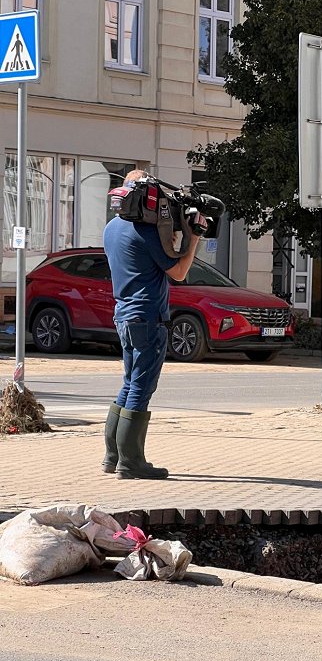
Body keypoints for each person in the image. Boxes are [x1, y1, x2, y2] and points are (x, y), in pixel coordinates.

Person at [101, 170, 200, 479]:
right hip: (147, 317)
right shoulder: (145, 231)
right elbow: (180, 272)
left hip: (124, 314)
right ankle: (131, 463)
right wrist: (193, 235)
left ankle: (112, 456)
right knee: (141, 387)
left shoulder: (112, 228)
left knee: (129, 383)